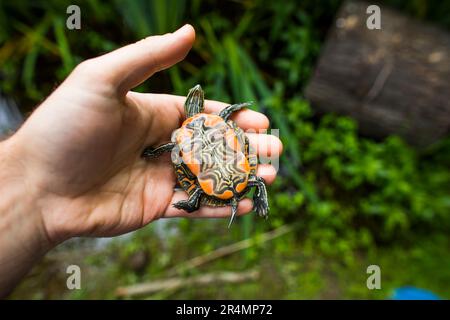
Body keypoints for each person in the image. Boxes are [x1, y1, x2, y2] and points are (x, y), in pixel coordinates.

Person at [0, 25, 282, 297]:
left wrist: (31, 192)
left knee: (196, 179)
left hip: (210, 172)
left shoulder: (186, 133)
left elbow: (179, 150)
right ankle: (241, 192)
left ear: (188, 109)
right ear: (197, 106)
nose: (197, 92)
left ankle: (202, 197)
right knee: (246, 177)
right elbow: (225, 124)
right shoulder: (214, 120)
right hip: (225, 170)